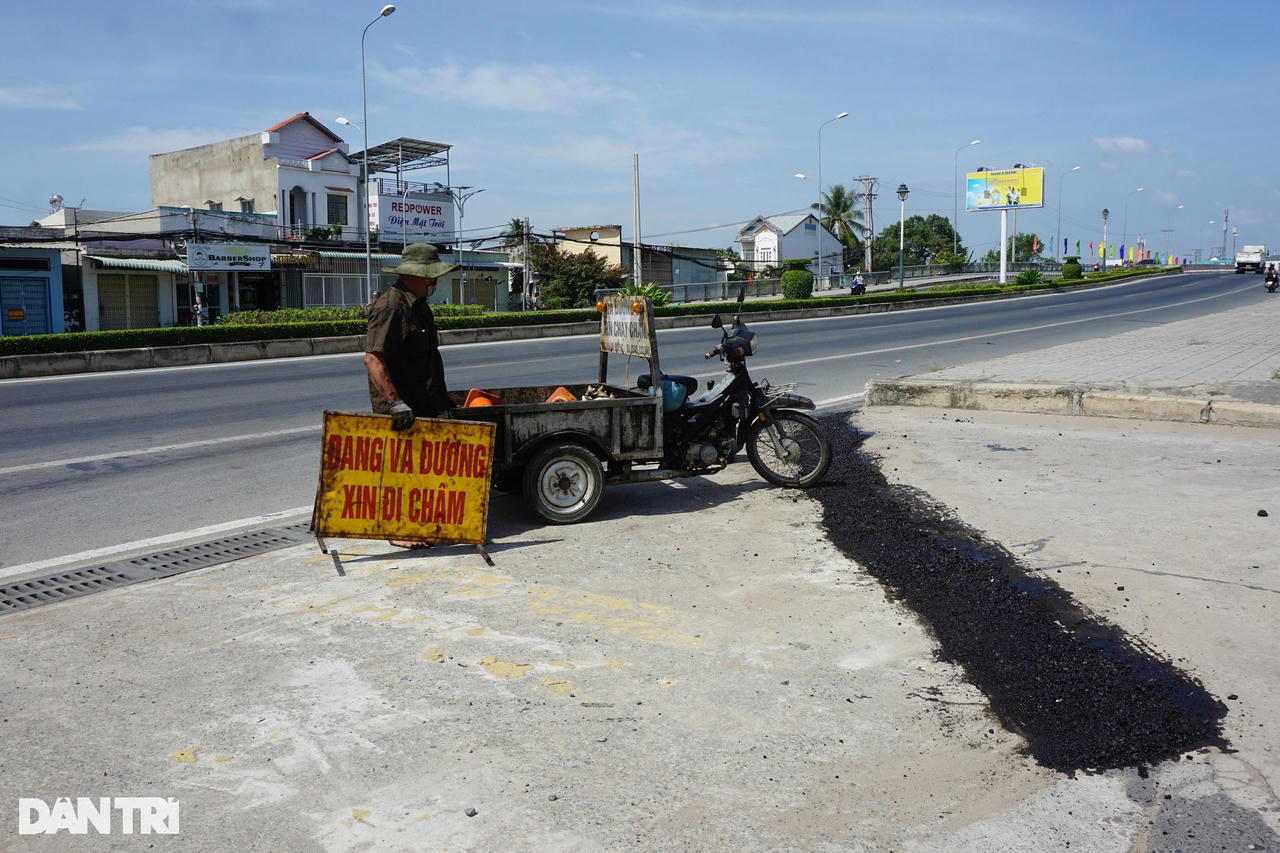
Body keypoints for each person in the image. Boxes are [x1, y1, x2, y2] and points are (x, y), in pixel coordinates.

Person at [364, 243, 460, 549]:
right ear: (416, 276)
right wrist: (395, 403)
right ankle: (399, 531)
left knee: (421, 471)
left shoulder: (418, 305)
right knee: (400, 471)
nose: (434, 282)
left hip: (425, 402)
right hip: (403, 409)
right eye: (430, 277)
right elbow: (373, 359)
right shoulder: (391, 307)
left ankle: (418, 524)